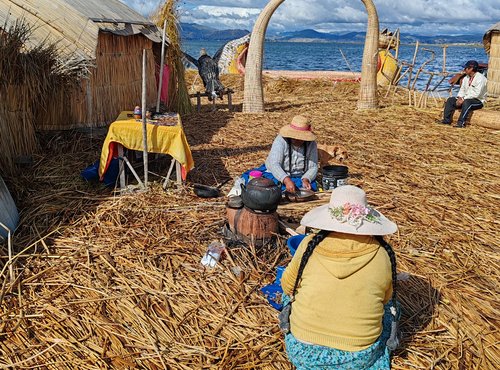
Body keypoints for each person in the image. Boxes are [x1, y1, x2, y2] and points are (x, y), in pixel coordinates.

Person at [280, 185, 399, 369]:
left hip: (304, 352)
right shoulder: (383, 255)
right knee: (394, 309)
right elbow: (385, 300)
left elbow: (288, 286)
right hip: (357, 358)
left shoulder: (309, 245)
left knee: (289, 295)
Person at [227, 115, 319, 199]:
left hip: (299, 177)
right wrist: (286, 180)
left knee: (308, 187)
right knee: (265, 186)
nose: (298, 139)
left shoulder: (311, 144)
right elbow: (274, 164)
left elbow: (313, 166)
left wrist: (306, 179)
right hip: (277, 174)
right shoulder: (281, 140)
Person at [437, 60, 487, 128]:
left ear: (471, 69)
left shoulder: (481, 79)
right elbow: (462, 90)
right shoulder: (466, 78)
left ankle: (461, 123)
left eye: (465, 68)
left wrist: (463, 99)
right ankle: (446, 120)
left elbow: (476, 94)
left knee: (467, 102)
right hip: (465, 99)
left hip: (478, 101)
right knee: (450, 100)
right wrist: (459, 98)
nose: (464, 70)